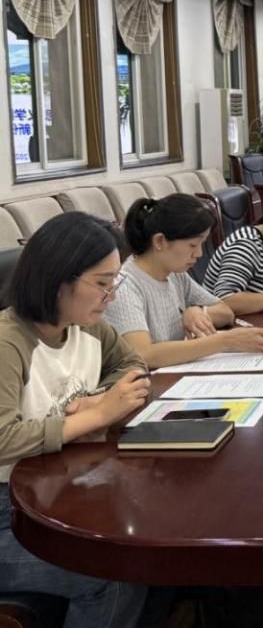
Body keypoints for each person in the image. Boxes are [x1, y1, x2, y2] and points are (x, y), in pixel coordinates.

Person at [0, 212, 149, 626]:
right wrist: (96, 415)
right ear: (57, 279)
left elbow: (134, 364)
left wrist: (101, 398)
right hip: (7, 512)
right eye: (102, 283)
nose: (111, 296)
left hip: (48, 492)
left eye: (114, 283)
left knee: (147, 543)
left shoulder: (87, 326)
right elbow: (2, 438)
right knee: (109, 574)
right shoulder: (8, 342)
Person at [104, 195, 263, 369]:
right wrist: (225, 341)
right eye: (193, 245)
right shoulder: (124, 285)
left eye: (202, 244)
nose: (199, 254)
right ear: (160, 241)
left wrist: (197, 312)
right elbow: (143, 355)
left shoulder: (175, 274)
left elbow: (225, 312)